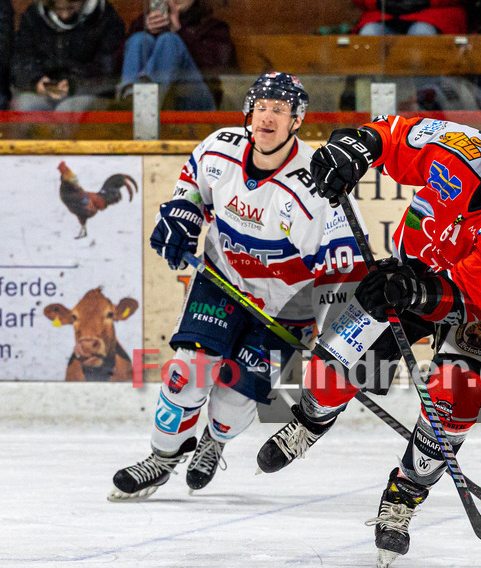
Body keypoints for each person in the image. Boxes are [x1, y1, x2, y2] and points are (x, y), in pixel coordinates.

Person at [256, 94, 481, 568]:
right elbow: (392, 135)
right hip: (408, 274)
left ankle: (404, 495)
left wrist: (413, 291)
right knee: (330, 369)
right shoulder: (458, 147)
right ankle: (311, 421)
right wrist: (356, 148)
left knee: (456, 393)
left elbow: (470, 298)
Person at [108, 72, 367, 501]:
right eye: (261, 106)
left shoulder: (318, 185)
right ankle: (162, 457)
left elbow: (345, 268)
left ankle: (215, 439)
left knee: (233, 401)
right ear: (249, 110)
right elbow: (192, 188)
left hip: (285, 306)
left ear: (297, 120)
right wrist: (181, 216)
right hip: (222, 279)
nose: (267, 117)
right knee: (187, 372)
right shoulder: (218, 149)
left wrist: (334, 334)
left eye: (279, 110)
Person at [119, 0, 236, 111]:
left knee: (169, 40)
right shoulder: (143, 22)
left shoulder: (214, 27)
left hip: (197, 101)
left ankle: (145, 101)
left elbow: (213, 68)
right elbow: (115, 64)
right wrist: (145, 29)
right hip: (152, 106)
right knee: (139, 39)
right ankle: (131, 98)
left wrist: (179, 31)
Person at [12, 0, 126, 112]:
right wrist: (36, 81)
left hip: (87, 90)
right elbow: (21, 58)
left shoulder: (105, 17)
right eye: (58, 9)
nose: (65, 15)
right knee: (25, 104)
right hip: (47, 89)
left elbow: (107, 67)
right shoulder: (34, 15)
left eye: (71, 8)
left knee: (68, 109)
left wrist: (73, 84)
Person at [353, 0, 467, 35]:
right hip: (384, 15)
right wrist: (378, 2)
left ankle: (427, 86)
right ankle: (378, 86)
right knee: (369, 34)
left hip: (431, 16)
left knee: (421, 33)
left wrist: (427, 2)